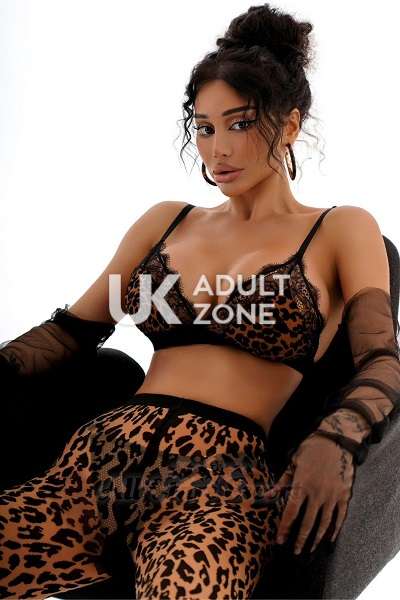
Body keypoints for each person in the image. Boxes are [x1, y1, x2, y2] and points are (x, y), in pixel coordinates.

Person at [1, 3, 400, 599]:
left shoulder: (341, 228)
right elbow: (70, 333)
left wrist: (336, 439)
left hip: (217, 486)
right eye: (205, 127)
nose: (218, 149)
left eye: (240, 124)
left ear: (290, 125)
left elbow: (383, 360)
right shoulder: (166, 221)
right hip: (92, 466)